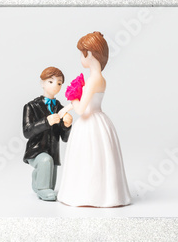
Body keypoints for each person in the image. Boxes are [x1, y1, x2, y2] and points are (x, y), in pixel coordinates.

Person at [56, 31, 132, 208]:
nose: (80, 58)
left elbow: (81, 109)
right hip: (98, 120)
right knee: (97, 159)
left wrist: (73, 97)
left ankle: (89, 195)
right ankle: (101, 193)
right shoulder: (100, 79)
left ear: (89, 54)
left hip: (89, 122)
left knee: (89, 159)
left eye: (81, 54)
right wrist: (66, 107)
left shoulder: (93, 80)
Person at [22, 67, 73, 201]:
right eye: (51, 81)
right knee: (45, 161)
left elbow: (65, 138)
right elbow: (27, 132)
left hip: (53, 152)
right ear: (42, 83)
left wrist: (67, 126)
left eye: (59, 83)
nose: (55, 85)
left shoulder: (60, 109)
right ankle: (41, 188)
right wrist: (46, 122)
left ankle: (37, 180)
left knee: (50, 184)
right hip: (36, 150)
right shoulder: (31, 106)